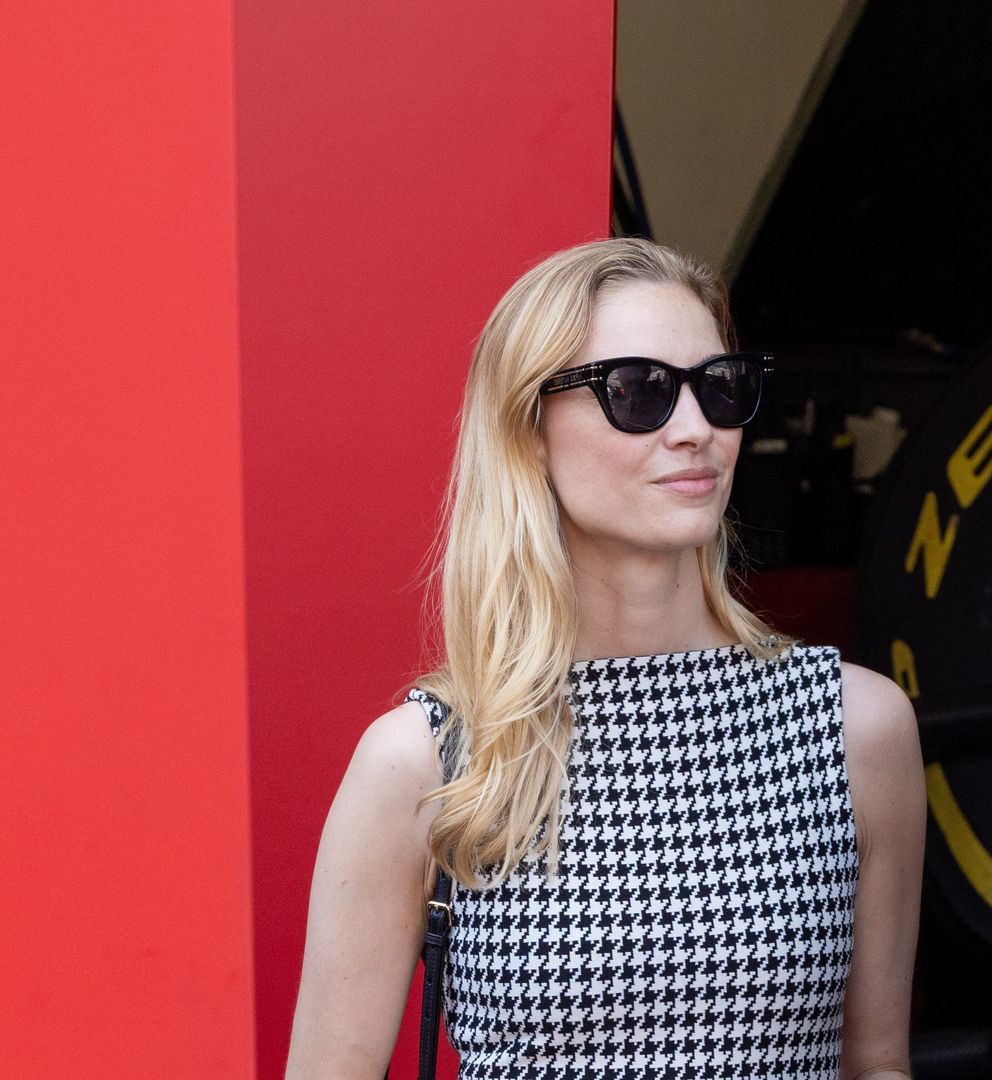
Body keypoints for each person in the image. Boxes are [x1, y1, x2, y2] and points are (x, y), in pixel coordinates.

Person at [286, 237, 923, 1080]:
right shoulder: (429, 760)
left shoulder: (855, 728)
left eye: (721, 388)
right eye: (639, 392)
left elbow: (876, 1066)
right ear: (529, 430)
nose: (697, 431)